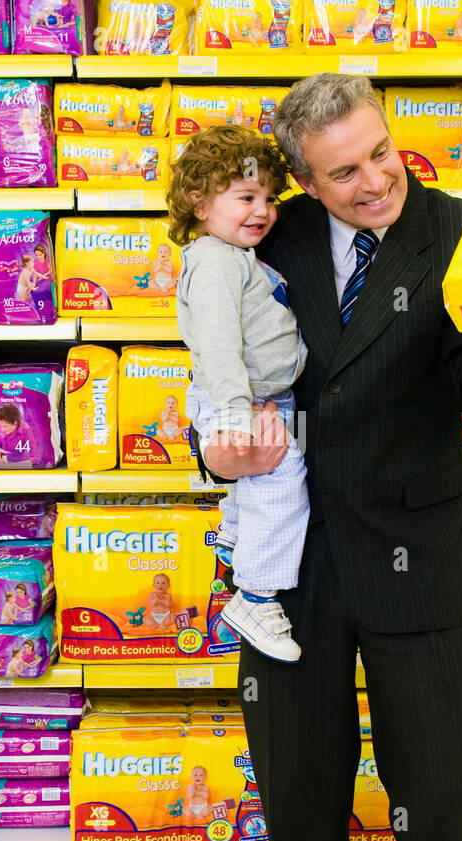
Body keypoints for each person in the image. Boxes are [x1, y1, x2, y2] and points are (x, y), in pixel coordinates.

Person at [196, 74, 462, 841]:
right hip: (290, 564)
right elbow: (222, 375)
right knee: (299, 786)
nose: (376, 180)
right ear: (305, 181)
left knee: (441, 787)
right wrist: (213, 449)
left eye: (381, 153)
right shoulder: (270, 238)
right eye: (344, 173)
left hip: (413, 549)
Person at [168, 124, 309, 662]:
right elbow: (221, 344)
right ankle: (254, 596)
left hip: (258, 399)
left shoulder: (234, 257)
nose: (262, 211)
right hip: (241, 401)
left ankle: (233, 538)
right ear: (199, 203)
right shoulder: (214, 262)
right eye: (246, 197)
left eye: (269, 199)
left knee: (260, 488)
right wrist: (233, 417)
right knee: (283, 489)